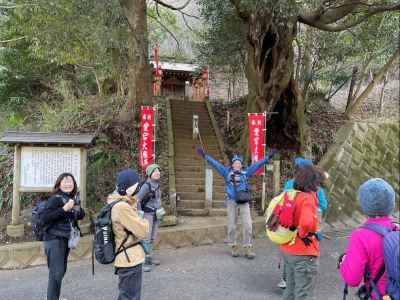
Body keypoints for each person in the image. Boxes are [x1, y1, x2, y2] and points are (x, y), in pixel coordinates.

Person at [197, 148, 278, 258]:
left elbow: (257, 165)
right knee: (231, 225)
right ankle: (233, 246)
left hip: (243, 201)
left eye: (239, 163)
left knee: (248, 225)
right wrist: (205, 156)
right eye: (235, 163)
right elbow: (215, 164)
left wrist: (268, 157)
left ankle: (247, 247)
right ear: (232, 164)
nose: (237, 165)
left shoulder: (246, 173)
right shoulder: (226, 172)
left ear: (241, 165)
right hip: (231, 201)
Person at [339, 178, 397, 299]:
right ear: (392, 203)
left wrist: (343, 262)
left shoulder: (361, 236)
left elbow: (352, 279)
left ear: (364, 204)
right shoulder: (396, 229)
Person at [278, 157, 328, 289]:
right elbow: (323, 205)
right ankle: (300, 278)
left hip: (288, 224)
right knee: (305, 252)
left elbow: (283, 200)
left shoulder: (289, 183)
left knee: (288, 249)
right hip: (307, 229)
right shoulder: (315, 189)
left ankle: (286, 279)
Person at [41, 173, 85, 300]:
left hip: (64, 239)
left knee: (60, 271)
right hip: (54, 239)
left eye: (70, 181)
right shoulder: (55, 199)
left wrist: (77, 209)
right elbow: (45, 218)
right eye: (65, 182)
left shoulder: (70, 198)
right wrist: (64, 209)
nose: (68, 184)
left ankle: (54, 297)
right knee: (57, 272)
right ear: (59, 184)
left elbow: (80, 215)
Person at [108, 168, 149, 300]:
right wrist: (143, 220)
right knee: (130, 296)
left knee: (127, 295)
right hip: (129, 258)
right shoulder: (122, 207)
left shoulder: (121, 203)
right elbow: (143, 231)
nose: (138, 189)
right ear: (130, 188)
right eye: (137, 186)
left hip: (128, 256)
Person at [135, 163, 163, 272]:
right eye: (155, 171)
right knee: (145, 238)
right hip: (147, 214)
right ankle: (141, 261)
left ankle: (149, 257)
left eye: (158, 171)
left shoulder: (158, 185)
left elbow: (158, 199)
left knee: (152, 237)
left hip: (156, 214)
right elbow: (137, 199)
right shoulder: (146, 186)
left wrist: (160, 210)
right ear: (149, 174)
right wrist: (140, 212)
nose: (158, 173)